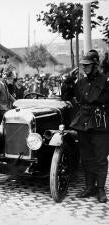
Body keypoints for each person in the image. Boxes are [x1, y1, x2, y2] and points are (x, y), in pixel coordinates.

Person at [61, 49, 109, 203]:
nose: (84, 68)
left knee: (100, 158)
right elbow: (66, 97)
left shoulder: (105, 81)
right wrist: (68, 82)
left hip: (100, 124)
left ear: (95, 64)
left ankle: (101, 189)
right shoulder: (80, 83)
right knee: (87, 158)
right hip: (83, 124)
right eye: (83, 65)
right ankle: (90, 187)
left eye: (87, 65)